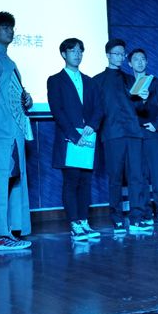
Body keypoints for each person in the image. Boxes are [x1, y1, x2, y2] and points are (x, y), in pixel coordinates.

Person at [0, 11, 33, 251]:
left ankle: (6, 229)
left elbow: (9, 92)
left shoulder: (7, 60)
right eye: (4, 28)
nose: (10, 31)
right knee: (1, 177)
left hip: (13, 128)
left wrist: (26, 99)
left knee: (12, 177)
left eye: (11, 28)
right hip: (2, 127)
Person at [92, 39, 152, 235]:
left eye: (122, 54)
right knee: (115, 178)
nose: (120, 57)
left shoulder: (130, 79)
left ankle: (136, 218)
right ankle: (117, 219)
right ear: (108, 55)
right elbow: (95, 110)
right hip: (112, 134)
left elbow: (139, 108)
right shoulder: (97, 81)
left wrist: (143, 99)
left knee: (136, 177)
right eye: (116, 54)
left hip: (133, 133)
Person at [47, 38, 103, 242]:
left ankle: (84, 221)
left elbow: (99, 108)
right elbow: (57, 111)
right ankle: (74, 224)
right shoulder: (55, 80)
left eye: (80, 51)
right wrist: (74, 135)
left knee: (86, 182)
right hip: (69, 138)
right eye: (73, 51)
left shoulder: (90, 81)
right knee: (71, 181)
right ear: (64, 54)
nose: (77, 54)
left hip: (88, 136)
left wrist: (92, 125)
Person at [128, 48, 158, 228]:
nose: (139, 62)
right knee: (140, 176)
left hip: (152, 133)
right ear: (129, 63)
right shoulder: (127, 83)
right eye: (136, 59)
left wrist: (156, 124)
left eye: (142, 59)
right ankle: (146, 212)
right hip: (134, 135)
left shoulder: (154, 82)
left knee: (157, 174)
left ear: (146, 62)